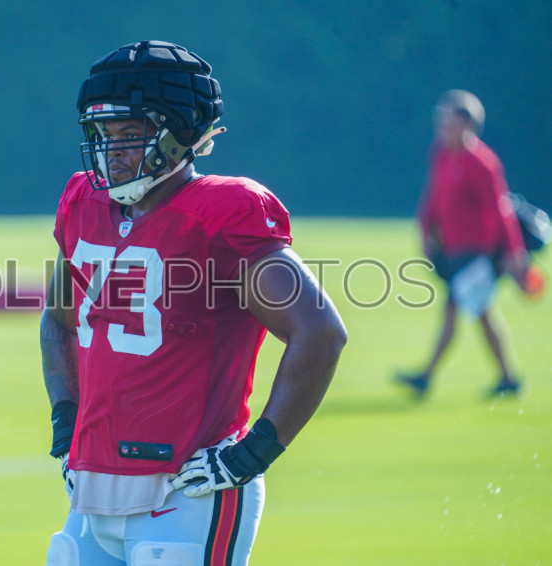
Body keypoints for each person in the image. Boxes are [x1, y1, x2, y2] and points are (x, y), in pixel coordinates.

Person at [41, 40, 347, 566]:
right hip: (91, 490)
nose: (112, 150)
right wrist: (67, 423)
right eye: (103, 133)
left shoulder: (223, 211)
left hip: (189, 490)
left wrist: (255, 451)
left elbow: (320, 333)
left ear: (178, 135)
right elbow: (58, 321)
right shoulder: (82, 202)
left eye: (128, 134)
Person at [397, 89, 530, 398]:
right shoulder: (441, 154)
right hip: (451, 251)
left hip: (476, 254)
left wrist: (514, 253)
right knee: (479, 312)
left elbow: (500, 210)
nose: (442, 125)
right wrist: (425, 230)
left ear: (467, 125)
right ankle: (508, 378)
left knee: (459, 310)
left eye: (448, 120)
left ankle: (427, 376)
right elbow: (433, 195)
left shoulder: (482, 163)